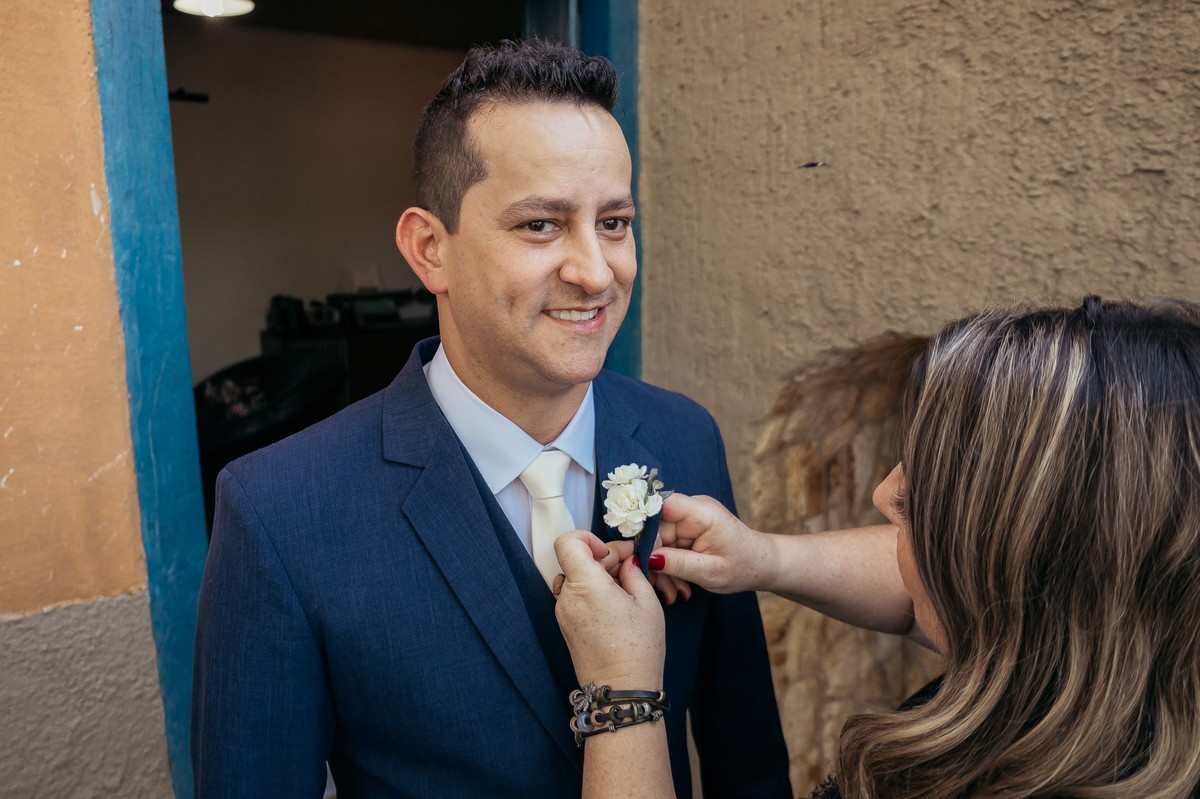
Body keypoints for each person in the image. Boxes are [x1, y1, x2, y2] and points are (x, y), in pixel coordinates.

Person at [190, 39, 790, 798]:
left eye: (614, 221)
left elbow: (747, 762)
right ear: (429, 250)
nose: (596, 272)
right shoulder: (280, 510)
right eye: (541, 225)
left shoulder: (684, 436)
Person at [555, 297, 1200, 799]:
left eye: (931, 483)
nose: (886, 494)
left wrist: (623, 696)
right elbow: (927, 590)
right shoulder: (1137, 672)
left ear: (1030, 553)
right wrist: (765, 559)